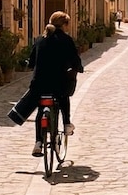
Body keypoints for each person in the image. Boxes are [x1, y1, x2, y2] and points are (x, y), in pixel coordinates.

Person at [7, 11, 83, 157]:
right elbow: (75, 59)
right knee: (63, 97)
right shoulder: (66, 40)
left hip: (39, 84)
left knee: (41, 109)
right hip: (59, 83)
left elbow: (31, 62)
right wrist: (79, 68)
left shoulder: (40, 39)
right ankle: (67, 123)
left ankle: (38, 143)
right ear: (64, 25)